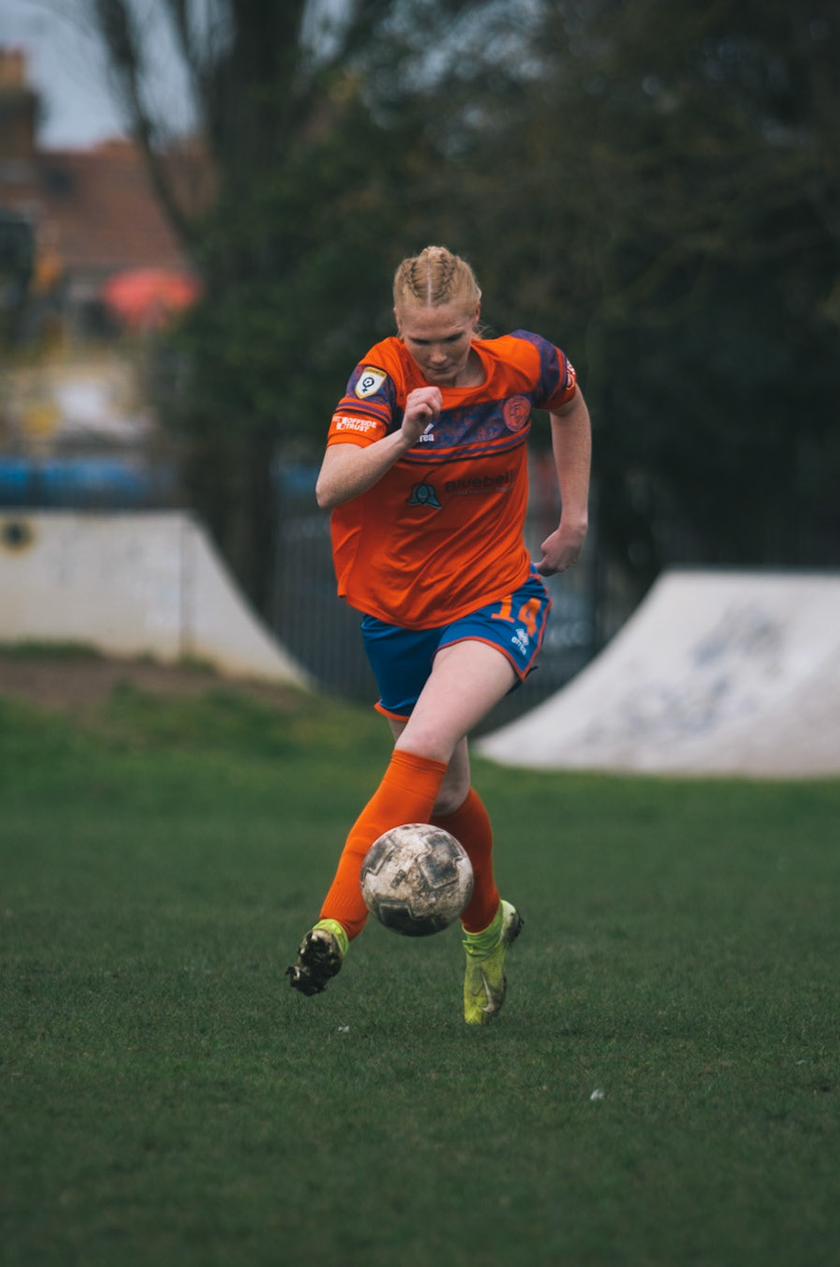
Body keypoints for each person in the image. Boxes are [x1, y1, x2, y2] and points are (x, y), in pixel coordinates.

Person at [285, 246, 590, 1024]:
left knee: (421, 745)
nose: (439, 354)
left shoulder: (524, 362)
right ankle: (487, 925)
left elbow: (569, 404)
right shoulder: (380, 379)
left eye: (452, 336)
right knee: (446, 790)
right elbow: (329, 486)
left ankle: (332, 929)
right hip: (395, 611)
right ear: (398, 326)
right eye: (421, 339)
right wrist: (404, 434)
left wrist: (574, 517)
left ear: (476, 317)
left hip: (495, 595)